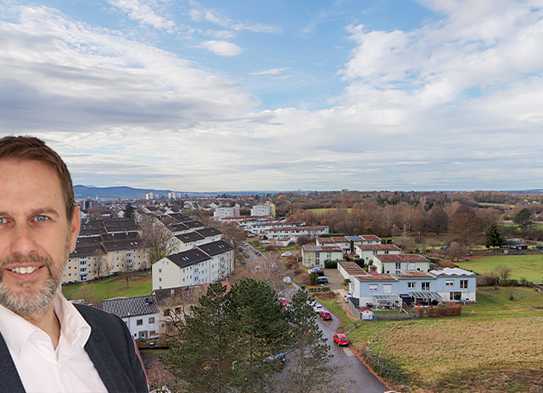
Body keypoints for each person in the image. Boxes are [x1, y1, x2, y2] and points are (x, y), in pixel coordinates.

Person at [0, 136, 148, 393]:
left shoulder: (113, 336)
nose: (22, 246)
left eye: (41, 217)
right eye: (1, 221)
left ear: (73, 229)